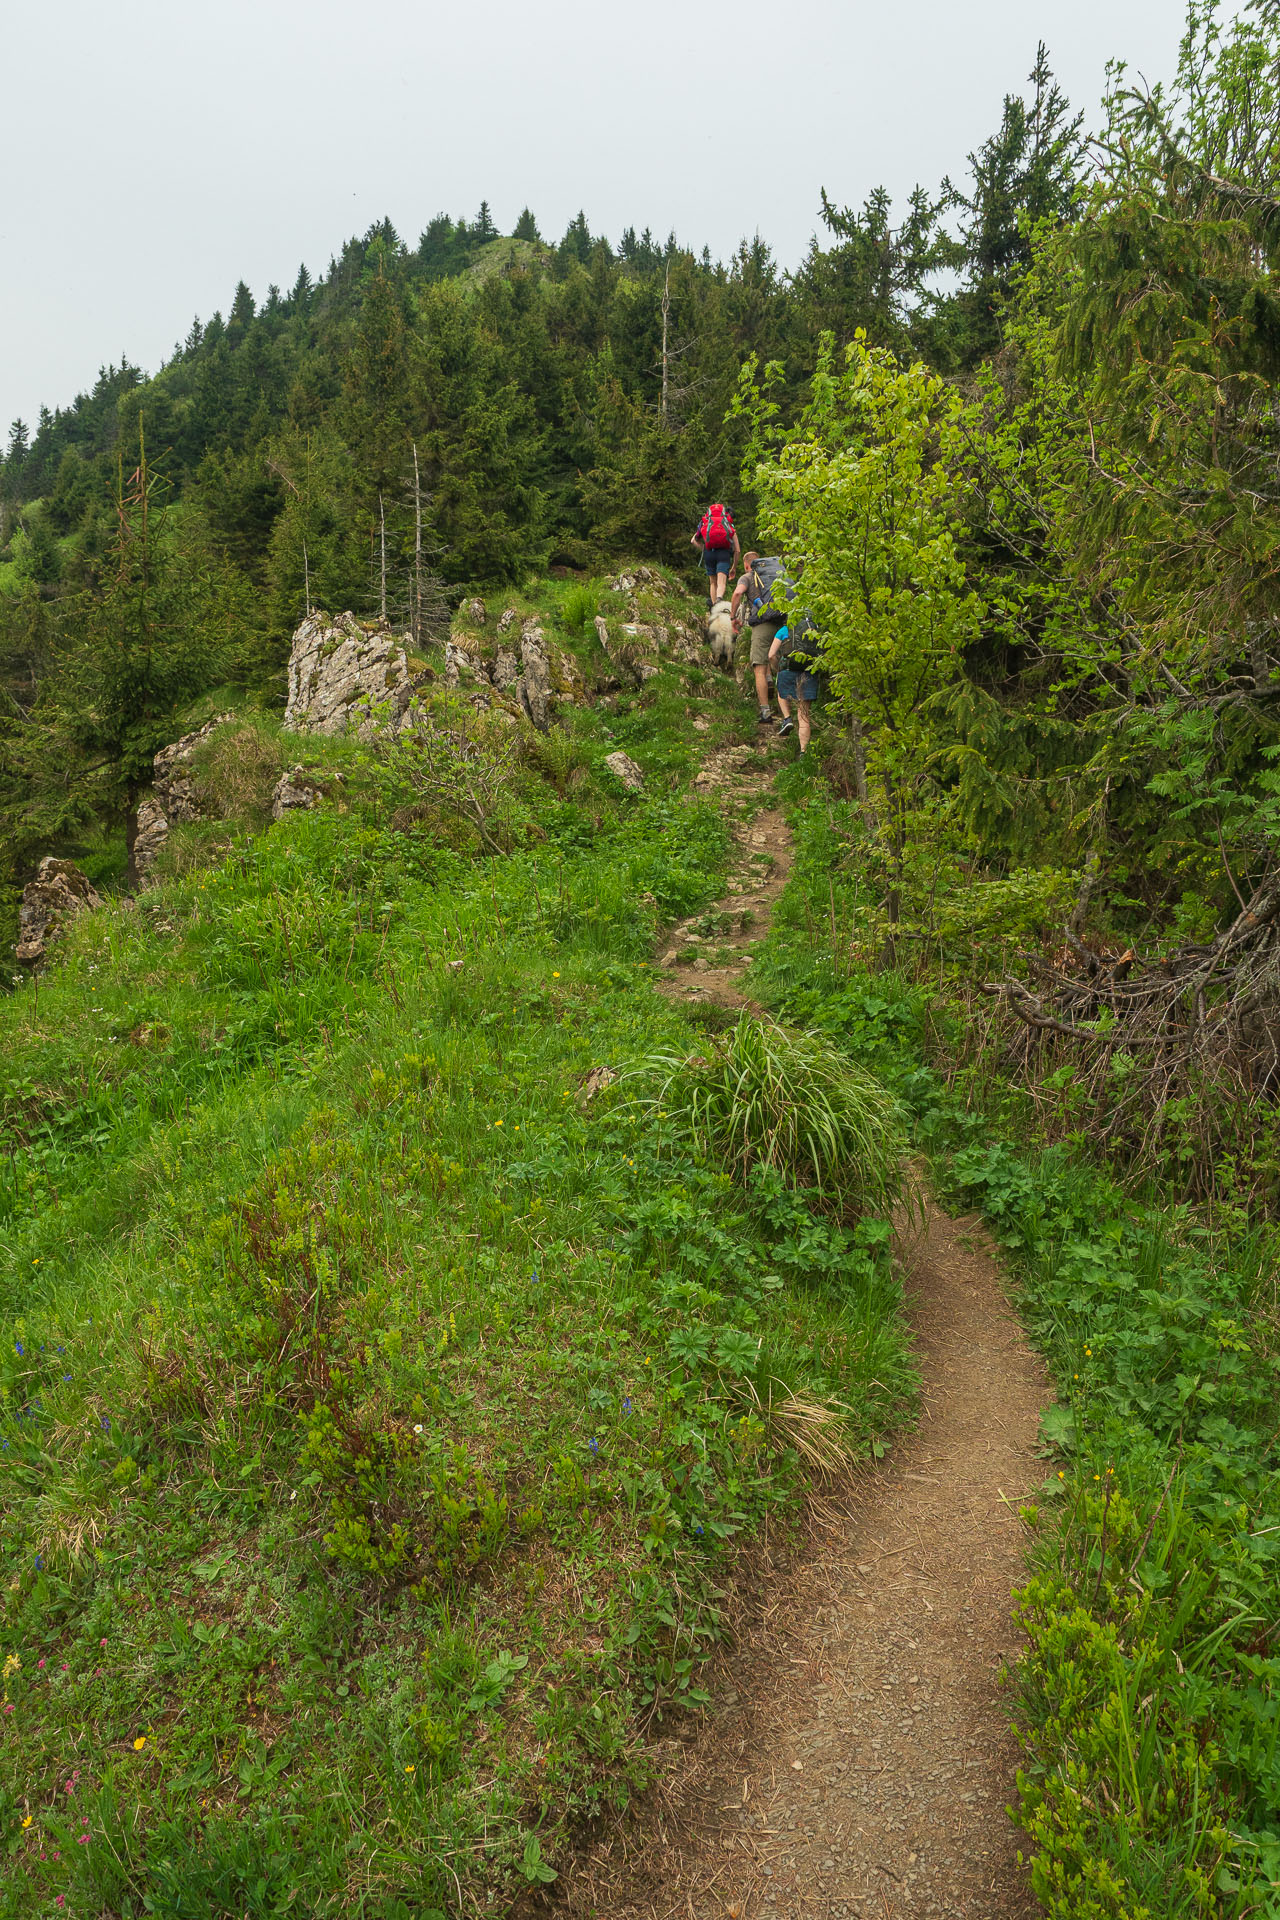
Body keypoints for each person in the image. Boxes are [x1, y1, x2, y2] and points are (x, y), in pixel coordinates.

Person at [731, 551, 790, 727]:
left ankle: (766, 712)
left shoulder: (748, 576)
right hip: (783, 623)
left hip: (762, 625)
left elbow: (737, 594)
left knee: (759, 667)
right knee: (783, 664)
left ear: (747, 565)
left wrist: (733, 617)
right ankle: (788, 710)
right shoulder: (775, 575)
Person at [768, 617, 823, 753]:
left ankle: (787, 719)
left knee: (781, 691)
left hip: (787, 670)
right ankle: (803, 752)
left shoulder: (784, 630)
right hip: (808, 672)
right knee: (803, 715)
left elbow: (771, 655)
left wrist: (777, 669)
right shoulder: (814, 630)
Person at [691, 502, 740, 608]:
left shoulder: (705, 522)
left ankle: (714, 607)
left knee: (713, 583)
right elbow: (738, 550)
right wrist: (734, 568)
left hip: (709, 553)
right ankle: (719, 599)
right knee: (721, 581)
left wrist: (704, 549)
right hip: (724, 553)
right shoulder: (729, 524)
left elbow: (693, 541)